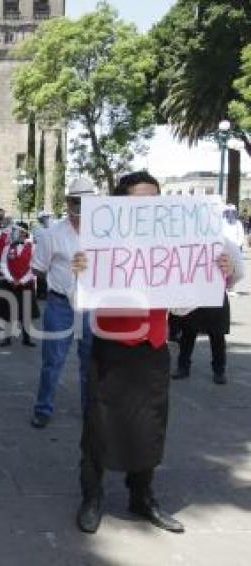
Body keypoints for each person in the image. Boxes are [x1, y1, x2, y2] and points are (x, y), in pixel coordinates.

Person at [74, 170, 240, 535]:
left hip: (151, 349)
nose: (148, 209)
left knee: (151, 424)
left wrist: (218, 275)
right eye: (139, 203)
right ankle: (92, 497)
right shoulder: (99, 245)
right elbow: (81, 298)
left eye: (154, 202)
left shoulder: (172, 246)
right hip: (109, 347)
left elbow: (181, 308)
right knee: (98, 426)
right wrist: (80, 271)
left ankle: (142, 495)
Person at [29, 178, 97, 429]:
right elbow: (38, 269)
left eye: (85, 203)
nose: (80, 209)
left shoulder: (104, 233)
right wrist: (66, 274)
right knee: (52, 361)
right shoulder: (52, 234)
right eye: (76, 202)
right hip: (60, 305)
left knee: (90, 362)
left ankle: (90, 410)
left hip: (92, 304)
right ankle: (43, 408)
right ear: (68, 203)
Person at [172, 210, 245, 385]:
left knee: (215, 335)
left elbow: (238, 272)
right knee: (191, 334)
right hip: (194, 296)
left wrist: (227, 282)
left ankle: (216, 370)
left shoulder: (225, 243)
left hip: (213, 297)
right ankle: (186, 367)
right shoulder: (185, 242)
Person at [0, 224, 38, 348]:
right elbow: (3, 264)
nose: (17, 234)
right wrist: (11, 279)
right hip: (10, 284)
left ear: (25, 233)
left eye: (20, 232)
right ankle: (7, 337)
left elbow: (34, 266)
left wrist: (22, 280)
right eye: (15, 232)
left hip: (26, 284)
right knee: (8, 311)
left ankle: (27, 338)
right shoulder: (7, 247)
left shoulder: (33, 248)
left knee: (26, 312)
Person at [32, 211, 53, 300]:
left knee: (50, 274)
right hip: (40, 254)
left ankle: (48, 292)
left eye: (46, 217)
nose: (45, 219)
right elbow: (35, 240)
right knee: (40, 274)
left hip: (51, 253)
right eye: (43, 218)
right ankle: (41, 292)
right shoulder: (37, 229)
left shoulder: (54, 228)